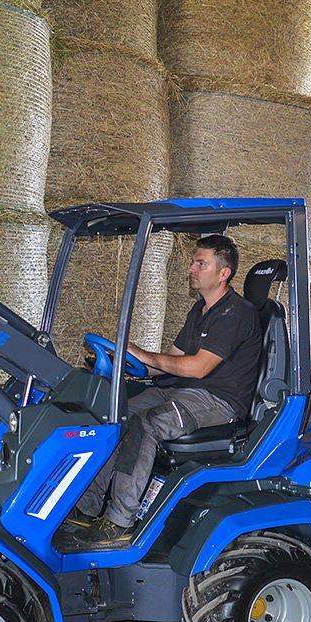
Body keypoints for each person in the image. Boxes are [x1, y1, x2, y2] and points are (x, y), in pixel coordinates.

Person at [66, 234, 263, 547]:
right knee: (112, 413)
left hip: (216, 401)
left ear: (223, 273)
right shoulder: (199, 311)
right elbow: (170, 361)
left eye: (201, 263)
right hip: (182, 391)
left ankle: (119, 521)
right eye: (193, 262)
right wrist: (127, 361)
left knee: (147, 424)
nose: (191, 268)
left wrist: (144, 355)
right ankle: (87, 507)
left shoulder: (236, 313)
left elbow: (198, 367)